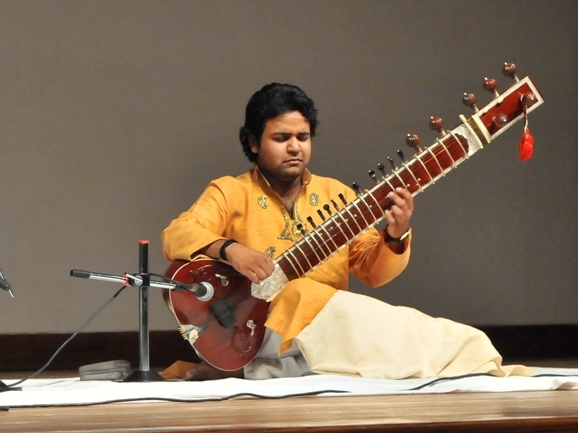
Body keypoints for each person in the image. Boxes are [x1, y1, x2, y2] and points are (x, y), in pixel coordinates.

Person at [162, 82, 513, 380]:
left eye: (303, 136)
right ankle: (461, 356)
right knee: (297, 293)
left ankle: (465, 355)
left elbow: (373, 273)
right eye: (281, 137)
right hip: (256, 326)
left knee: (409, 335)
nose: (295, 146)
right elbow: (177, 234)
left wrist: (395, 235)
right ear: (254, 143)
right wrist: (229, 250)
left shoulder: (337, 196)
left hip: (331, 326)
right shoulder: (230, 191)